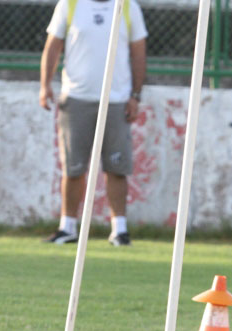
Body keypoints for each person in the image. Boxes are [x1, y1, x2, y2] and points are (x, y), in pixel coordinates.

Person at [39, 0, 148, 246]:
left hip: (117, 99)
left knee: (117, 167)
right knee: (73, 167)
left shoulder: (128, 6)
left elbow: (138, 51)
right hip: (76, 98)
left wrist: (136, 95)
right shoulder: (70, 4)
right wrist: (45, 85)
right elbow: (53, 45)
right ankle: (67, 228)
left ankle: (119, 230)